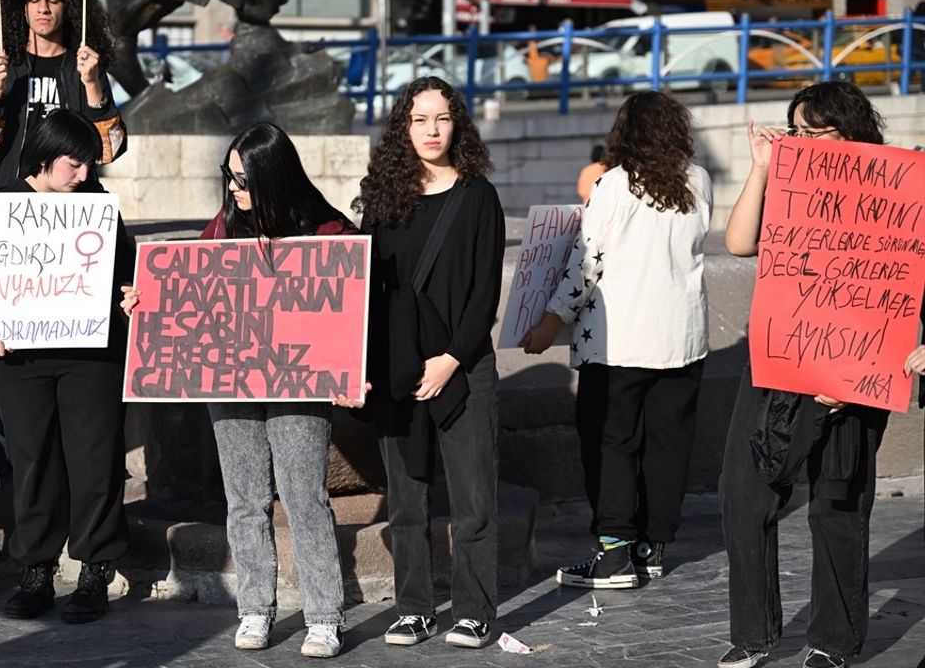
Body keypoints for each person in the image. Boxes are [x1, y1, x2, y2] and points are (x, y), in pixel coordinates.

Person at [121, 123, 353, 658]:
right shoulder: (224, 226)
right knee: (244, 500)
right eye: (229, 177)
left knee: (305, 498)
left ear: (274, 177)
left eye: (244, 179)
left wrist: (348, 368)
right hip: (231, 383)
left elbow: (350, 310)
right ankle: (255, 608)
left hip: (298, 384)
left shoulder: (327, 232)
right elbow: (187, 286)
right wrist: (147, 301)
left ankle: (323, 615)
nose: (233, 189)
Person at [716, 82, 894, 668]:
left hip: (854, 368)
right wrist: (762, 169)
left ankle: (834, 642)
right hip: (778, 363)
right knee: (743, 493)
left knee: (837, 504)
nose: (808, 143)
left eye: (821, 131)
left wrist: (862, 371)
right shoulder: (788, 185)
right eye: (799, 131)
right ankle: (753, 634)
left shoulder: (891, 188)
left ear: (853, 133)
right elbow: (740, 243)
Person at [521, 91, 712, 590]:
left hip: (620, 340)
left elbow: (587, 261)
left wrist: (549, 321)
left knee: (611, 445)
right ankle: (653, 548)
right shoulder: (698, 181)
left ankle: (613, 554)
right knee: (668, 446)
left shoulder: (615, 184)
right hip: (683, 338)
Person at [352, 76, 505, 649]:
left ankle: (474, 609)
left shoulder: (478, 196)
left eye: (442, 118)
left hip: (461, 367)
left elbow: (483, 293)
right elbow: (365, 288)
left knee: (473, 501)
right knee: (407, 500)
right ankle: (414, 607)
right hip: (398, 369)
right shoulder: (383, 197)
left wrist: (451, 360)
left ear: (457, 123)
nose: (432, 130)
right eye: (420, 120)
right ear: (404, 126)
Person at [0, 109, 135, 624]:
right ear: (45, 159)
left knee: (95, 458)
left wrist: (131, 299)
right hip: (18, 361)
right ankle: (37, 569)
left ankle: (95, 568)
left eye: (90, 165)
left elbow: (126, 278)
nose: (85, 175)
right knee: (33, 461)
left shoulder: (98, 208)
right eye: (74, 164)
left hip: (90, 358)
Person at [0, 0, 125, 193]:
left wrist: (92, 85)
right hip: (5, 194)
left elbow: (108, 152)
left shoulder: (87, 68)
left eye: (53, 0)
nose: (43, 8)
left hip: (71, 202)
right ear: (22, 8)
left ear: (69, 8)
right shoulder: (2, 68)